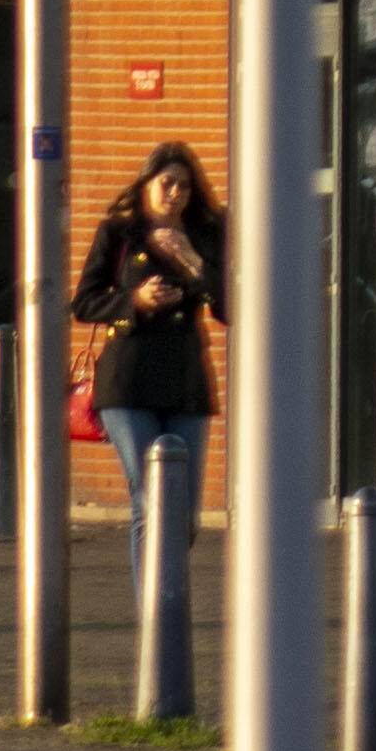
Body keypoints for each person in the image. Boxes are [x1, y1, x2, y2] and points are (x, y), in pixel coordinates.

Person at [70, 149, 227, 502]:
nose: (175, 193)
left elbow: (229, 309)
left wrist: (190, 260)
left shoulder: (205, 234)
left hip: (184, 380)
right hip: (128, 379)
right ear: (146, 185)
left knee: (183, 507)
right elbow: (84, 302)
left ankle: (169, 557)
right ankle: (147, 560)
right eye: (167, 183)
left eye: (184, 187)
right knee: (150, 496)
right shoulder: (119, 233)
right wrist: (135, 301)